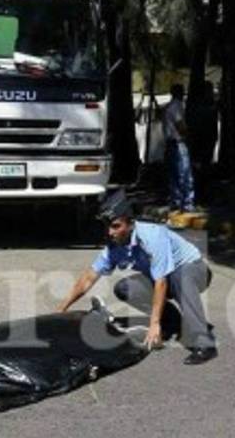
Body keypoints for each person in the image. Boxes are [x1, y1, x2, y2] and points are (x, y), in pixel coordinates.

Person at [58, 190, 218, 365]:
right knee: (125, 288)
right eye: (108, 226)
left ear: (131, 224)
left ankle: (205, 343)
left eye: (116, 226)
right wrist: (62, 308)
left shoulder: (152, 236)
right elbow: (89, 277)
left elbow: (161, 282)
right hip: (165, 278)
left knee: (181, 277)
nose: (110, 232)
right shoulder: (115, 246)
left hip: (195, 271)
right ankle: (172, 322)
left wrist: (153, 324)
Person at [163, 83, 196, 212]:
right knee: (185, 173)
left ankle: (175, 201)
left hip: (170, 143)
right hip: (178, 143)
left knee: (174, 175)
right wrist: (188, 136)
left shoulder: (168, 107)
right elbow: (180, 125)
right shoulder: (177, 106)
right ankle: (187, 203)